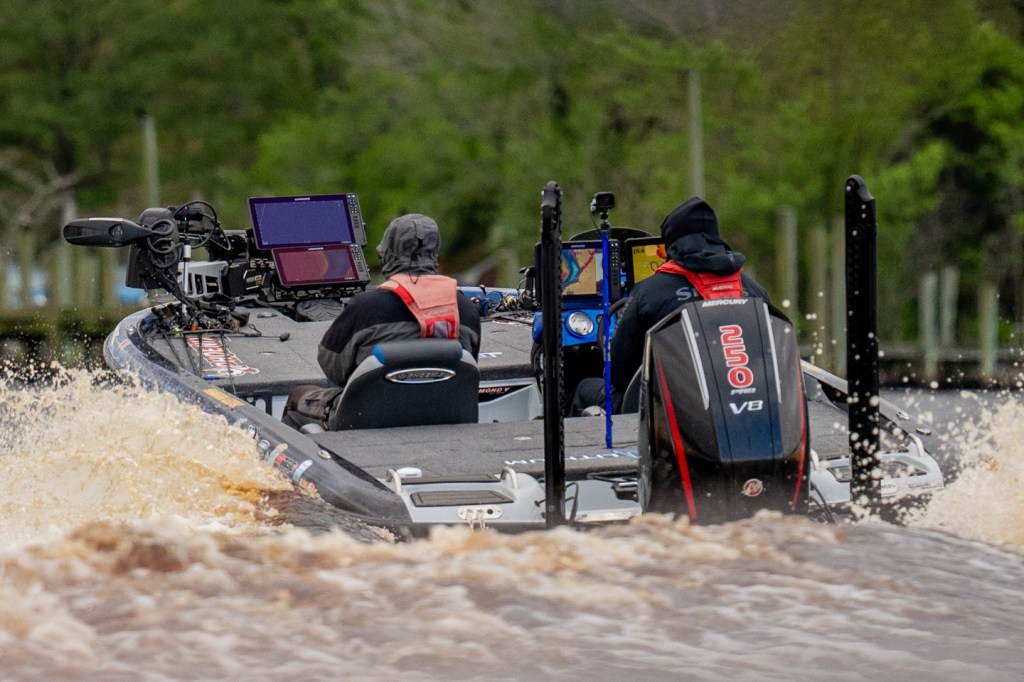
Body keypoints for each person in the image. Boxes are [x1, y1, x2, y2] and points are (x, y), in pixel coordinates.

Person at [571, 197, 770, 416]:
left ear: (671, 243)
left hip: (668, 411)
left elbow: (618, 372)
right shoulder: (754, 290)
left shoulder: (649, 292)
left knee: (583, 387)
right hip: (745, 404)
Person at [282, 213, 481, 430]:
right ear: (434, 254)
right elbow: (467, 368)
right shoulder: (466, 311)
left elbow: (332, 368)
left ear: (387, 253)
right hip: (442, 417)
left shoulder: (365, 308)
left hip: (364, 419)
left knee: (297, 397)